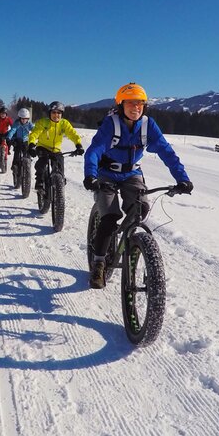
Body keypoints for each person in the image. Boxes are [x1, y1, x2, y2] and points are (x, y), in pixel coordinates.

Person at [83, 83, 193, 289]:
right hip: (106, 173)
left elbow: (166, 152)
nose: (136, 108)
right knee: (109, 215)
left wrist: (182, 179)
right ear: (121, 105)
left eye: (140, 104)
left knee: (140, 208)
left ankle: (131, 241)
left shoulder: (147, 125)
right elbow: (94, 151)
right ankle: (98, 262)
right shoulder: (111, 124)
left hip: (132, 173)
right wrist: (90, 175)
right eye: (131, 103)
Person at [27, 101, 84, 193]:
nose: (56, 115)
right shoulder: (43, 122)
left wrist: (78, 145)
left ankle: (59, 180)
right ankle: (40, 181)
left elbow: (72, 134)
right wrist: (31, 145)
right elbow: (35, 133)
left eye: (59, 113)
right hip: (43, 147)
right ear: (49, 113)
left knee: (59, 163)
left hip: (56, 150)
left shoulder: (64, 124)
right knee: (42, 162)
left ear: (62, 114)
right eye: (53, 112)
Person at [5, 107, 34, 172]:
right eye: (22, 119)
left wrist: (40, 136)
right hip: (17, 139)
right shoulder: (16, 123)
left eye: (26, 119)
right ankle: (14, 164)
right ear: (19, 118)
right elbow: (12, 130)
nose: (24, 120)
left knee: (27, 148)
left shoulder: (29, 124)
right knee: (17, 151)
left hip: (25, 140)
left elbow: (35, 130)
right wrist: (8, 138)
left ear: (28, 119)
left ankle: (27, 160)